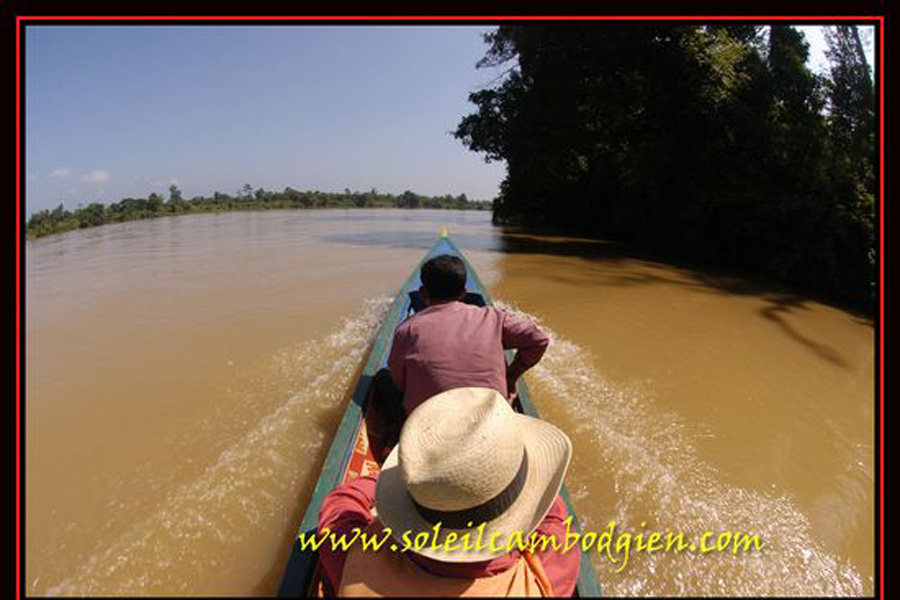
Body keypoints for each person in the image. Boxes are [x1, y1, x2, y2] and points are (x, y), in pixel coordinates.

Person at [317, 387, 581, 597]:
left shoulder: (354, 560)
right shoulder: (547, 573)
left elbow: (340, 504)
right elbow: (552, 513)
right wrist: (524, 478)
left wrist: (393, 480)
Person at [380, 254, 550, 421]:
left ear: (423, 293)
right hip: (491, 420)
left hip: (429, 425)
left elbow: (399, 383)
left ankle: (396, 435)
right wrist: (512, 375)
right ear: (464, 293)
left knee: (383, 377)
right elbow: (539, 340)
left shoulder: (407, 329)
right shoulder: (494, 318)